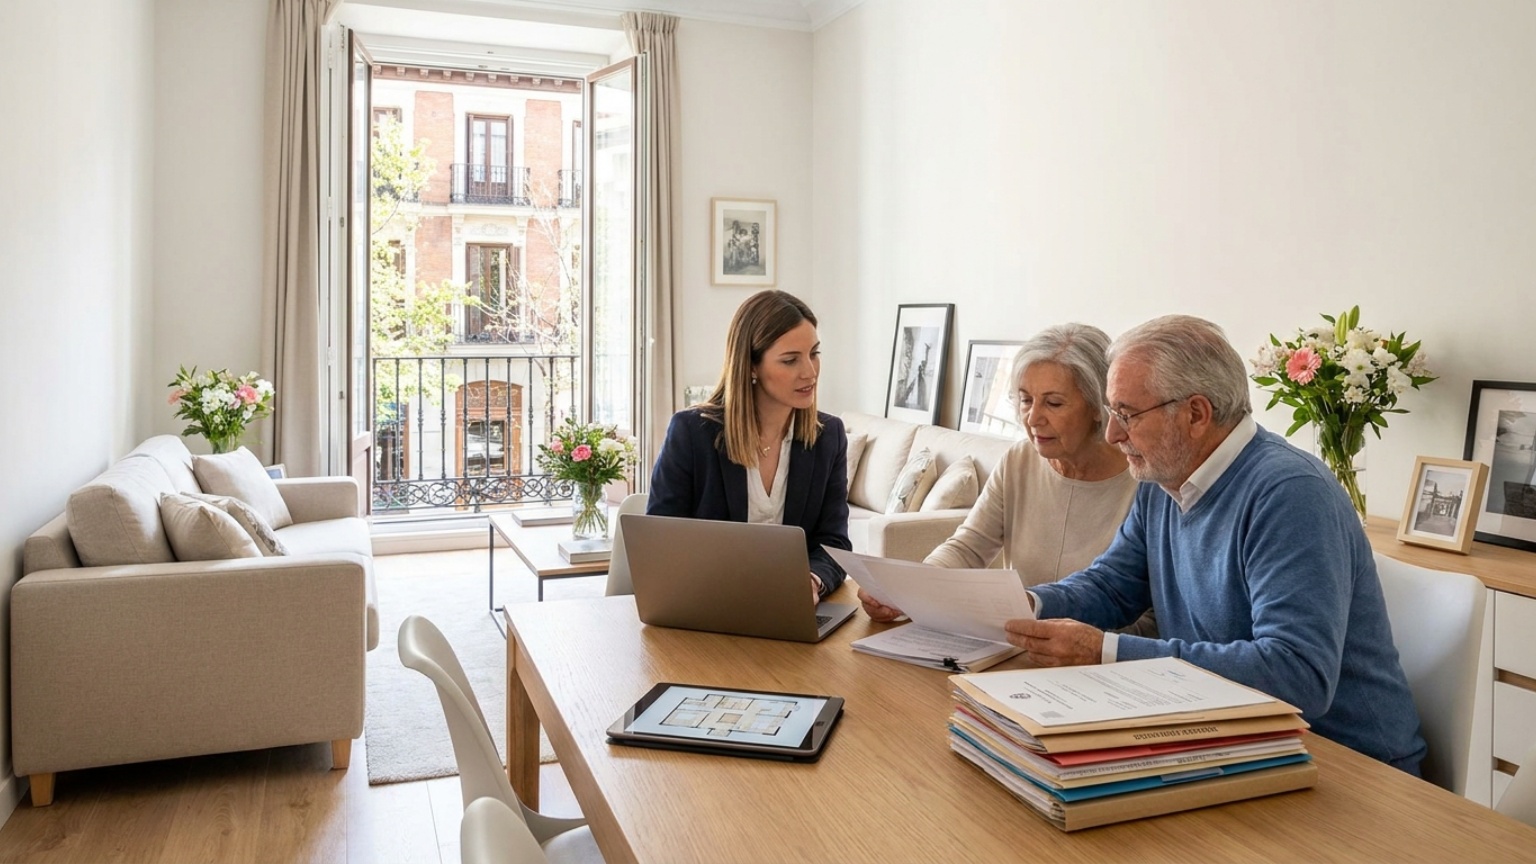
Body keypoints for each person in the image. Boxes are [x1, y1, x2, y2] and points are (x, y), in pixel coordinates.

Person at [1006, 314, 1426, 774]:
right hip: (1232, 738)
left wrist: (1105, 651)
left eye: (1126, 415)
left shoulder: (1291, 494)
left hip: (1349, 764)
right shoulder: (1162, 476)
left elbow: (1297, 673)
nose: (1113, 435)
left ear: (1196, 414)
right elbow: (1111, 586)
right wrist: (1023, 605)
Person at [858, 324, 1156, 637]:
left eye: (1053, 403)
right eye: (1026, 400)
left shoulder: (1144, 480)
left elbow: (1151, 615)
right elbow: (968, 548)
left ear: (1098, 406)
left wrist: (1096, 645)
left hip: (1096, 652)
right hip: (1015, 639)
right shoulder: (1019, 459)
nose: (1033, 418)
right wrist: (910, 593)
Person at [647, 290, 850, 601]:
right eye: (790, 360)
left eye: (814, 353)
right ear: (751, 366)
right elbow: (660, 542)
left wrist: (810, 582)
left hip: (791, 610)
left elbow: (834, 543)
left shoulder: (828, 436)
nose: (810, 372)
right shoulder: (691, 433)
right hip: (705, 604)